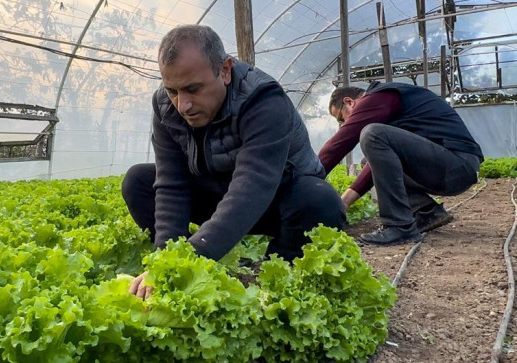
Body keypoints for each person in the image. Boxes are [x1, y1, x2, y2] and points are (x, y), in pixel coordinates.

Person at [122, 25, 345, 299]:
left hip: (275, 198)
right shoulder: (166, 106)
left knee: (320, 201)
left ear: (225, 70)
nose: (184, 105)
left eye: (193, 89)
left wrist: (196, 253)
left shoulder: (263, 99)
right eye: (173, 91)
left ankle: (278, 271)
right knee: (138, 181)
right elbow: (171, 183)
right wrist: (168, 260)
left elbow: (253, 185)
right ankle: (207, 259)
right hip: (218, 192)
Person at [319, 81, 484, 246]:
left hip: (458, 164)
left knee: (372, 134)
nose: (344, 124)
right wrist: (344, 202)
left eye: (341, 118)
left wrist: (308, 176)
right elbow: (379, 168)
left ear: (349, 102)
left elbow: (341, 142)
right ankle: (425, 212)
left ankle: (399, 226)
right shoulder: (391, 105)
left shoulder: (380, 96)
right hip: (454, 168)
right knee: (369, 159)